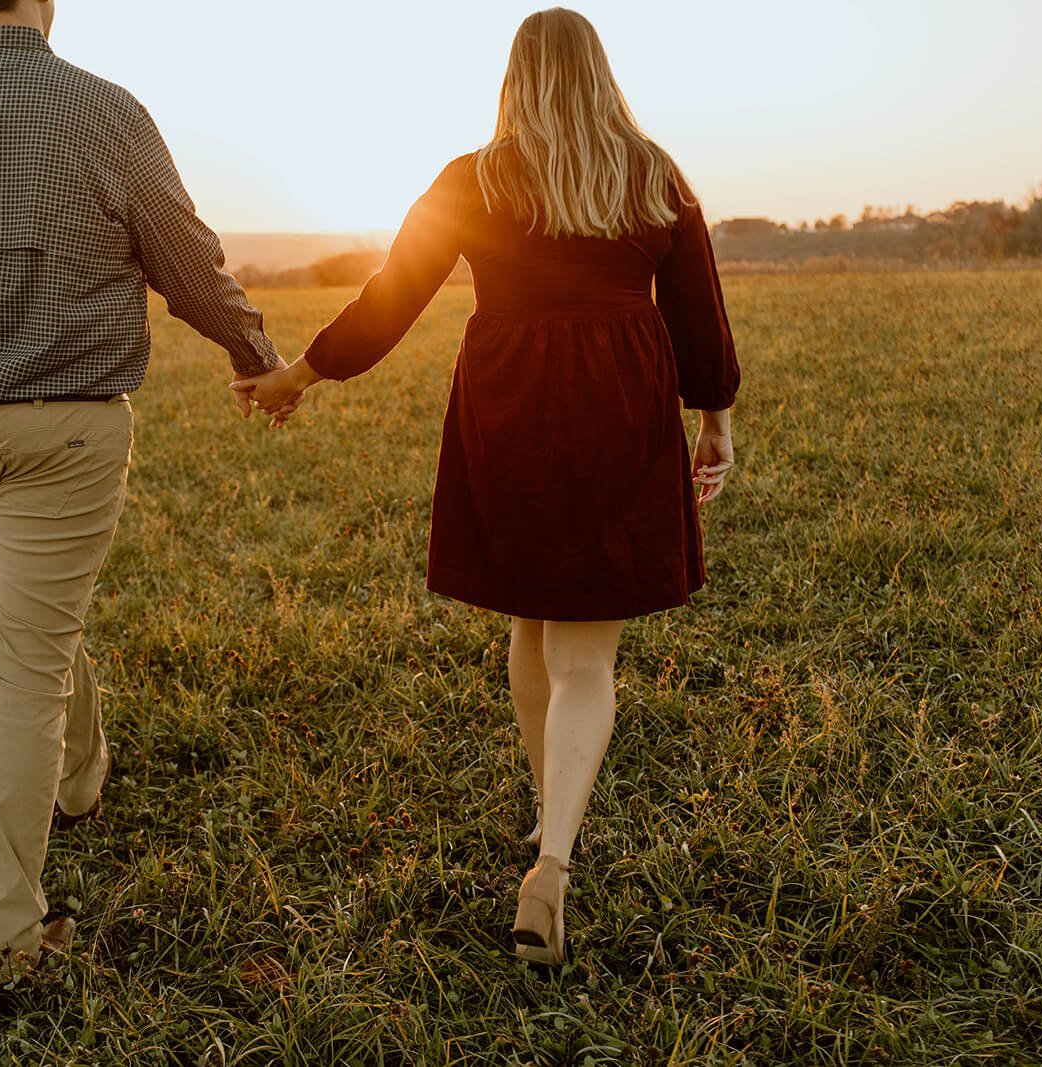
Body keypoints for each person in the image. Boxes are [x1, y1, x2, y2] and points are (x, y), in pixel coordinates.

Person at [232, 7, 741, 967]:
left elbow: (393, 295)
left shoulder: (476, 175)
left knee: (526, 620)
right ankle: (554, 854)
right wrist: (714, 418)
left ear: (515, 79)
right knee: (585, 656)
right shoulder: (652, 172)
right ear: (601, 74)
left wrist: (301, 371)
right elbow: (700, 316)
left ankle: (550, 823)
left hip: (509, 401)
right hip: (621, 398)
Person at [0, 0, 287, 1024]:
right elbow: (185, 257)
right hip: (70, 430)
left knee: (32, 612)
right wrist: (258, 357)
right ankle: (4, 936)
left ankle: (81, 775)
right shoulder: (105, 112)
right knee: (26, 657)